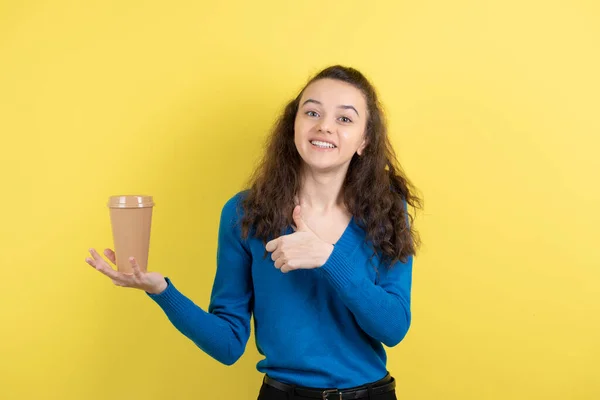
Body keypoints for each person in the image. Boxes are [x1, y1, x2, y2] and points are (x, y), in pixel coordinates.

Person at [85, 65, 421, 400]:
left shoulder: (388, 210)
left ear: (364, 140)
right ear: (294, 125)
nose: (324, 127)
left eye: (344, 119)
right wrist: (161, 291)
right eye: (312, 112)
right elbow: (228, 343)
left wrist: (327, 258)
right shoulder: (245, 213)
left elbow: (392, 328)